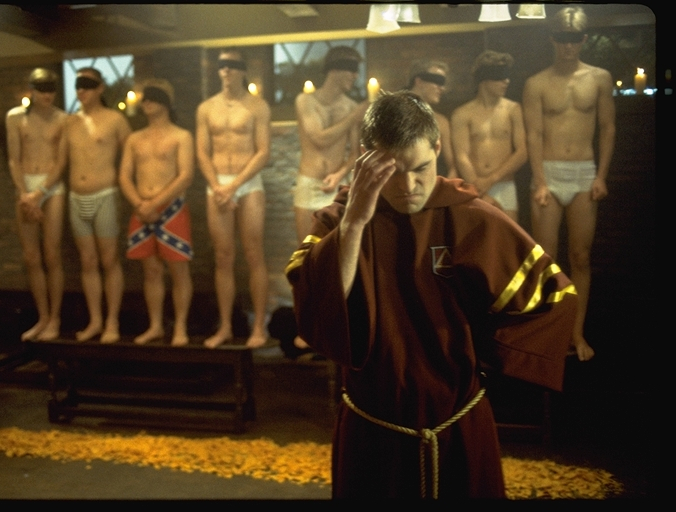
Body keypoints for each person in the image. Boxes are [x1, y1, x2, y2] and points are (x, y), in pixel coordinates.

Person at [285, 91, 577, 498]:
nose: (408, 186)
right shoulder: (340, 219)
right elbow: (314, 304)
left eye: (421, 168)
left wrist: (487, 356)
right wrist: (354, 224)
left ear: (437, 147)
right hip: (373, 428)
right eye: (393, 172)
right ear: (367, 159)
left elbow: (555, 296)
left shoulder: (472, 216)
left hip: (457, 422)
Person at [523, 6, 615, 361]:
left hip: (583, 173)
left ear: (584, 40)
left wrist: (601, 175)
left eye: (574, 39)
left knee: (580, 256)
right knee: (545, 259)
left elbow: (607, 128)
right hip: (548, 171)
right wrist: (540, 180)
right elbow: (533, 134)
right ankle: (550, 334)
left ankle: (576, 334)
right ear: (552, 39)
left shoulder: (599, 78)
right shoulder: (536, 83)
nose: (568, 46)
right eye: (562, 39)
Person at [196, 48, 271, 348]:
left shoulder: (257, 106)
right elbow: (202, 151)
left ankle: (259, 327)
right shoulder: (206, 108)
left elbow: (263, 151)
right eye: (222, 65)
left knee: (254, 253)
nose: (226, 70)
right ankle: (225, 326)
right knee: (223, 257)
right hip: (217, 184)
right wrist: (217, 186)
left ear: (243, 70)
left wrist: (235, 185)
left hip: (248, 182)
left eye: (232, 65)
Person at [119, 80, 194, 346]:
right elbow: (124, 175)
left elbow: (186, 175)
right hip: (141, 208)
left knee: (178, 270)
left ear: (166, 101)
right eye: (145, 98)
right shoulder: (134, 139)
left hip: (171, 209)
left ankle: (181, 327)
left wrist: (156, 203)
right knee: (150, 271)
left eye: (153, 97)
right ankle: (155, 326)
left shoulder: (181, 136)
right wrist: (140, 203)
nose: (147, 101)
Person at [60, 67, 132, 343]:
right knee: (87, 261)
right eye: (78, 85)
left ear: (100, 88)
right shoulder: (69, 122)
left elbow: (132, 154)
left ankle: (112, 321)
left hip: (105, 195)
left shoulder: (115, 120)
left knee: (109, 259)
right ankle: (95, 320)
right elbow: (59, 160)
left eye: (87, 85)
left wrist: (126, 185)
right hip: (76, 198)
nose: (81, 90)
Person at [5, 67, 68, 341]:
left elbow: (61, 161)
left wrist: (40, 193)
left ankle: (55, 318)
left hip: (51, 187)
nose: (47, 95)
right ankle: (42, 317)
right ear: (31, 90)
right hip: (26, 185)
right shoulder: (15, 117)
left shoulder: (63, 119)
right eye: (42, 89)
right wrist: (24, 193)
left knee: (52, 254)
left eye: (51, 89)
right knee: (31, 256)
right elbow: (14, 159)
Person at [293, 45, 368, 244]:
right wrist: (354, 116)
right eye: (351, 70)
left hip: (337, 186)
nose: (355, 76)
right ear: (334, 69)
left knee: (336, 250)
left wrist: (339, 175)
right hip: (309, 184)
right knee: (306, 252)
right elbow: (319, 139)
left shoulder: (351, 106)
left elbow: (355, 153)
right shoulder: (305, 101)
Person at [451, 51, 527, 222]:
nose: (506, 81)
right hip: (474, 187)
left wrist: (491, 179)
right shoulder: (462, 114)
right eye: (500, 77)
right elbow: (461, 155)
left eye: (507, 76)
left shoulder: (513, 110)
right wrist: (477, 187)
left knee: (508, 235)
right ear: (484, 79)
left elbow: (522, 151)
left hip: (504, 185)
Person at [407, 59, 457, 179]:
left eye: (443, 83)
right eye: (437, 81)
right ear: (419, 81)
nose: (442, 88)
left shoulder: (441, 122)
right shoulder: (393, 114)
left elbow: (453, 167)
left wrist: (442, 189)